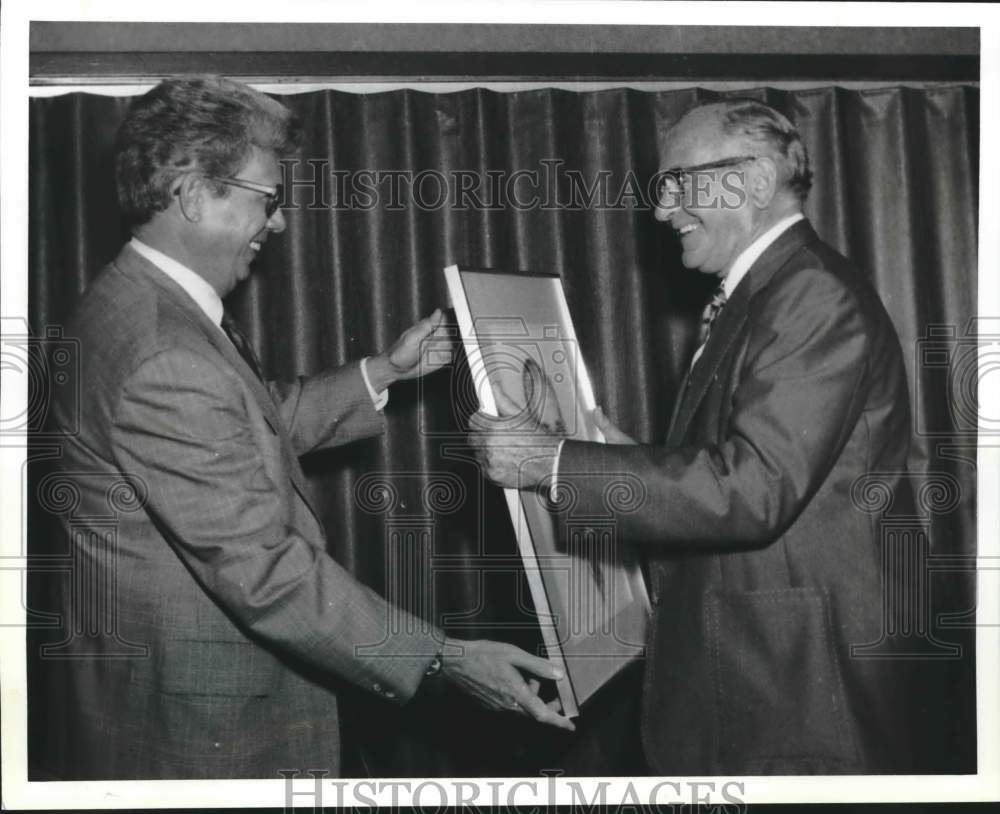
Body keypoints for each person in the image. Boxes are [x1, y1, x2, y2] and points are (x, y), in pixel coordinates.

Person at [42, 74, 572, 781]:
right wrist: (443, 656)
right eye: (269, 199)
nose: (280, 223)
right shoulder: (164, 352)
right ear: (197, 195)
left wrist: (383, 370)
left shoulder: (133, 304)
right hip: (199, 733)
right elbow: (265, 572)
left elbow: (246, 423)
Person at [470, 99, 918, 774]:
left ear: (757, 184)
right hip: (766, 672)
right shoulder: (768, 294)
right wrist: (611, 454)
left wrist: (553, 462)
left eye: (680, 182)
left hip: (796, 689)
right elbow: (735, 464)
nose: (662, 209)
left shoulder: (810, 296)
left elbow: (753, 488)